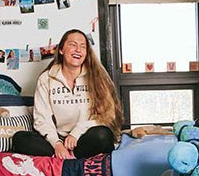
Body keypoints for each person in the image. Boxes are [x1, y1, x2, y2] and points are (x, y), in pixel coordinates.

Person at [13, 29, 123, 159]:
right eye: (72, 44)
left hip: (84, 138)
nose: (78, 49)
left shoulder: (97, 77)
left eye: (83, 46)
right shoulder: (46, 79)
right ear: (61, 50)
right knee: (20, 139)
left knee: (103, 135)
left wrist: (76, 132)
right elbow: (42, 119)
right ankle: (63, 155)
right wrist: (57, 144)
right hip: (56, 140)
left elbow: (106, 115)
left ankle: (69, 157)